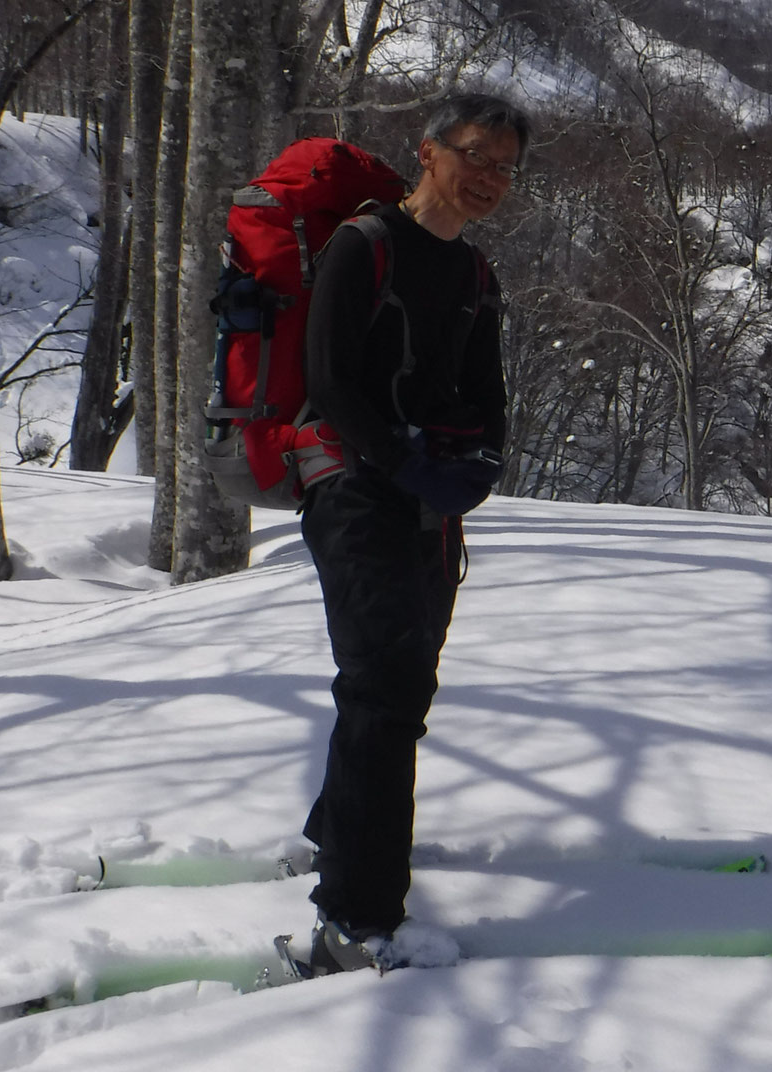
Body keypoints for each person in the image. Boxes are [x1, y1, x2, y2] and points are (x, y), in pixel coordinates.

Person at [297, 91, 528, 974]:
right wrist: (404, 463)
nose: (490, 178)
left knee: (399, 685)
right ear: (428, 152)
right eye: (477, 155)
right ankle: (352, 919)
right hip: (356, 492)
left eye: (506, 166)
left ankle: (340, 831)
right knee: (385, 692)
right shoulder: (363, 247)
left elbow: (489, 391)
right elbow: (330, 378)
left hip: (429, 504)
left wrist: (481, 466)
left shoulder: (475, 274)